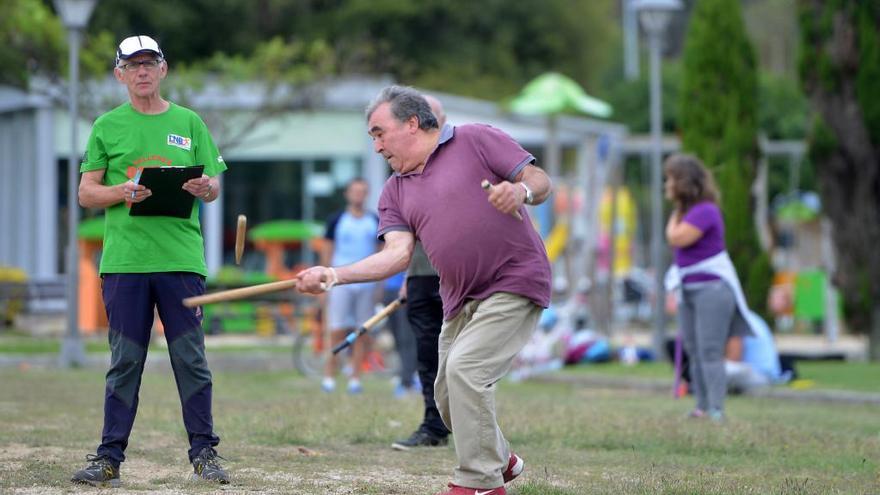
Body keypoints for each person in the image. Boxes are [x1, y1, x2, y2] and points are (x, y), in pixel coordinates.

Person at [296, 85, 552, 495]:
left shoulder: (476, 139)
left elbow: (538, 179)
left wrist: (520, 191)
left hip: (514, 280)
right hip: (460, 297)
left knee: (465, 371)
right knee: (446, 392)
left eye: (380, 133)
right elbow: (395, 255)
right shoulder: (395, 191)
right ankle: (499, 459)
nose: (376, 146)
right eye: (372, 137)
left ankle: (479, 482)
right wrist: (334, 274)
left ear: (412, 123)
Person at [71, 35, 228, 487]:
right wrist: (121, 191)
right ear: (119, 74)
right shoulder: (106, 126)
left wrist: (205, 189)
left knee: (191, 360)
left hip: (181, 261)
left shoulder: (189, 122)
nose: (142, 72)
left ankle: (205, 454)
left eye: (149, 63)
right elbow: (86, 193)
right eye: (132, 65)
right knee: (125, 361)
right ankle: (108, 458)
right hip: (124, 264)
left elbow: (212, 185)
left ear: (163, 69)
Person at [663, 153, 755, 422]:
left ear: (683, 183)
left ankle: (717, 409)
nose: (666, 185)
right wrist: (678, 211)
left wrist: (676, 213)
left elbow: (677, 238)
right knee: (693, 349)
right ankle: (701, 407)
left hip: (712, 290)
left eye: (670, 179)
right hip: (689, 289)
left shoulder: (705, 211)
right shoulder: (684, 213)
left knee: (710, 351)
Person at [391, 94, 450, 451]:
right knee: (427, 354)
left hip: (457, 277)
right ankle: (434, 425)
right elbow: (401, 236)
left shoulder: (457, 165)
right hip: (419, 276)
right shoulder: (402, 169)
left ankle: (474, 426)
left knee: (461, 357)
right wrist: (404, 282)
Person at [320, 178, 380, 395]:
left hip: (366, 284)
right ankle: (329, 376)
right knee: (336, 330)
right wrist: (324, 283)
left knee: (361, 332)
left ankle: (355, 377)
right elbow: (327, 251)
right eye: (355, 191)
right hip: (339, 282)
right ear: (347, 194)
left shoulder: (374, 220)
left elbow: (380, 252)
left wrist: (379, 284)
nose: (358, 195)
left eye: (362, 191)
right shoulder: (337, 220)